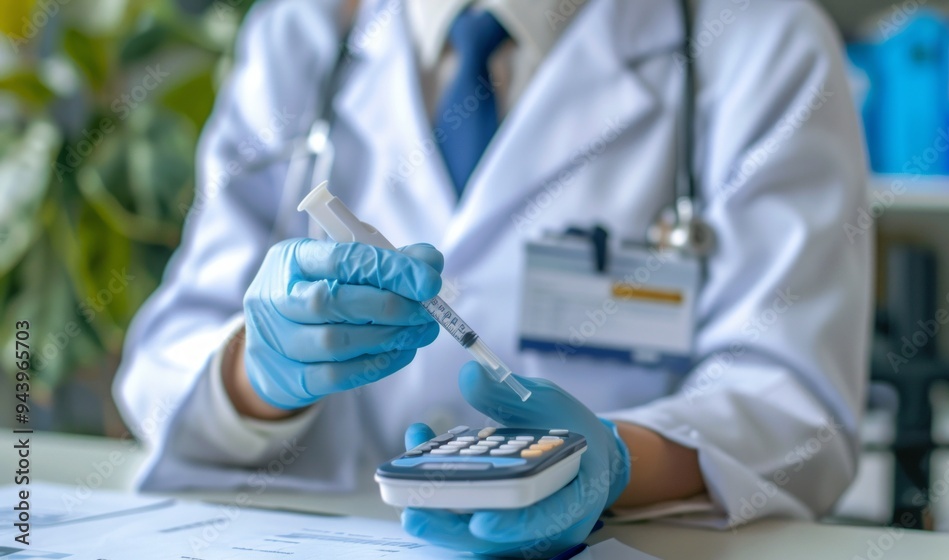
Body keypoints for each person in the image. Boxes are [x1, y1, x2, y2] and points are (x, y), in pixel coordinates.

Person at [114, 0, 872, 555]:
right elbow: (164, 360)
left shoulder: (760, 42)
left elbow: (795, 402)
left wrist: (611, 463)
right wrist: (259, 373)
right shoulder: (303, 33)